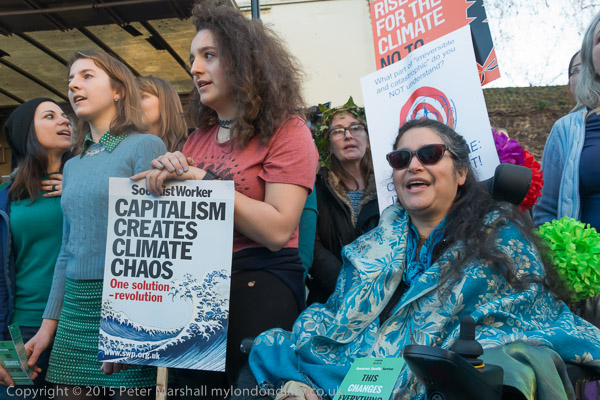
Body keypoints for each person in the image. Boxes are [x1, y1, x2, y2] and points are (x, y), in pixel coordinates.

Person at [249, 119, 600, 400]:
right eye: (401, 159)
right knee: (271, 348)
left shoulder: (501, 242)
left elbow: (527, 320)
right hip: (349, 377)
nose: (413, 165)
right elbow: (334, 322)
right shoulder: (368, 248)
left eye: (430, 154)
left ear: (460, 173)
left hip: (440, 387)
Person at [132, 0, 318, 395]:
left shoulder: (288, 130)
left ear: (243, 62)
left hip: (260, 279)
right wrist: (163, 181)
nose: (194, 69)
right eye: (192, 58)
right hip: (197, 287)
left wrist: (202, 179)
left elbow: (277, 230)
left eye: (209, 55)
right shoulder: (195, 140)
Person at [24, 50, 167, 399]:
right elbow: (66, 251)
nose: (74, 85)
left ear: (118, 90)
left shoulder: (145, 145)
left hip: (125, 306)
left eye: (87, 76)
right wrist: (47, 328)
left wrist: (131, 324)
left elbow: (154, 243)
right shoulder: (73, 164)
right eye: (71, 80)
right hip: (74, 309)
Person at [534, 14, 600, 399]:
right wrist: (558, 271)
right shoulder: (568, 129)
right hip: (591, 289)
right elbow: (545, 213)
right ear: (590, 55)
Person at [0, 98, 73, 398]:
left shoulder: (86, 186)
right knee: (16, 394)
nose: (65, 120)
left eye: (65, 116)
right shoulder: (5, 198)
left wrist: (78, 189)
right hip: (19, 329)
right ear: (26, 133)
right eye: (50, 116)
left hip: (78, 326)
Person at [306, 98, 379, 305]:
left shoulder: (388, 188)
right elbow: (313, 247)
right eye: (338, 131)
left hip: (382, 296)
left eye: (356, 128)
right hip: (330, 299)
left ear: (368, 139)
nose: (348, 135)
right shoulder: (315, 188)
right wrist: (347, 287)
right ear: (328, 145)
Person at [137, 76, 188, 152]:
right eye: (131, 100)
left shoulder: (191, 150)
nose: (133, 104)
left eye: (142, 97)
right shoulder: (124, 147)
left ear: (165, 102)